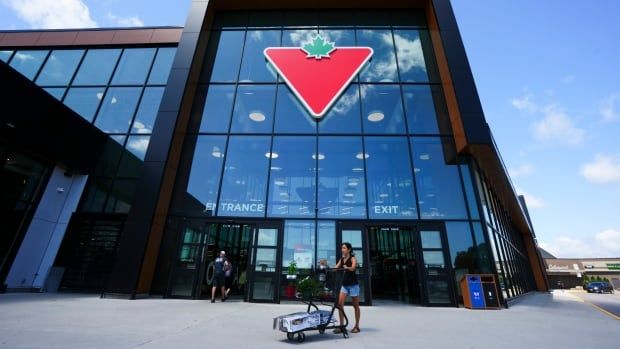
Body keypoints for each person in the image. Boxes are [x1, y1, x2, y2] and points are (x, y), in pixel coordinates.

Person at [333, 242, 361, 334]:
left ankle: (357, 326)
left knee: (355, 306)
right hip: (344, 285)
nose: (342, 250)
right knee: (340, 305)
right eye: (342, 248)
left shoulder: (353, 258)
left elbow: (353, 268)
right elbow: (335, 268)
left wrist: (347, 267)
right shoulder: (341, 259)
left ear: (349, 249)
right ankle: (341, 326)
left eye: (344, 248)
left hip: (353, 285)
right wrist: (326, 265)